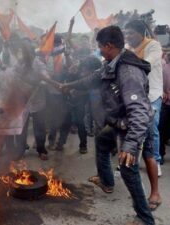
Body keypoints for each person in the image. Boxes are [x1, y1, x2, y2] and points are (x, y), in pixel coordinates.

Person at [56, 26, 155, 225]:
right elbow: (93, 79)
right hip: (118, 123)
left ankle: (145, 218)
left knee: (128, 169)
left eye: (100, 46)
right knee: (101, 141)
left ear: (109, 46)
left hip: (131, 126)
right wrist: (70, 85)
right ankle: (107, 181)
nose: (99, 50)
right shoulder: (111, 63)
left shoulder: (128, 72)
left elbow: (139, 112)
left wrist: (130, 145)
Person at [125, 20, 164, 177]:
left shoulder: (153, 45)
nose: (128, 36)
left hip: (153, 94)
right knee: (133, 128)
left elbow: (146, 64)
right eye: (126, 33)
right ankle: (132, 160)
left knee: (151, 128)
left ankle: (156, 160)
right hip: (135, 95)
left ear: (141, 34)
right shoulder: (129, 49)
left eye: (131, 33)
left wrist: (126, 60)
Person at [159, 51, 170, 165]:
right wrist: (162, 92)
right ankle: (160, 154)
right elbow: (159, 85)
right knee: (162, 131)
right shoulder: (164, 68)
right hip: (166, 104)